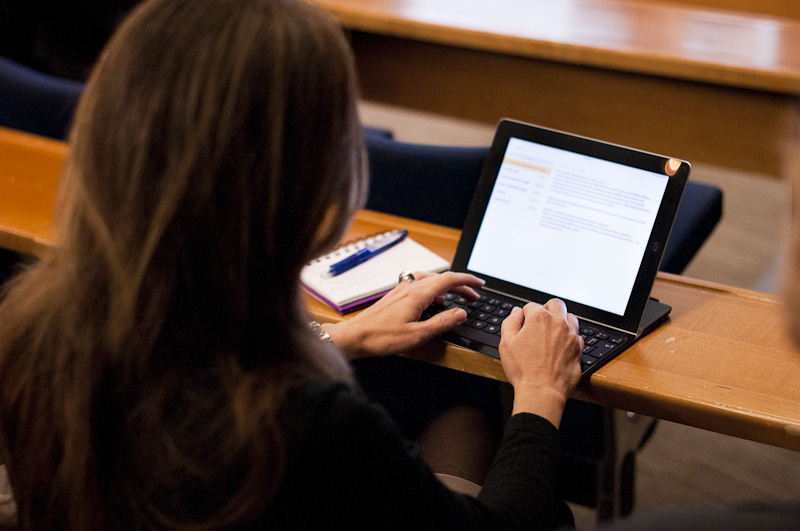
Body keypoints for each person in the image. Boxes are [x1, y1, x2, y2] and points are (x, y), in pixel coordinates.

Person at [0, 0, 583, 529]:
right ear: (310, 178)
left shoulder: (31, 335)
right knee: (484, 433)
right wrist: (540, 393)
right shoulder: (311, 424)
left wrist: (341, 336)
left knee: (457, 413)